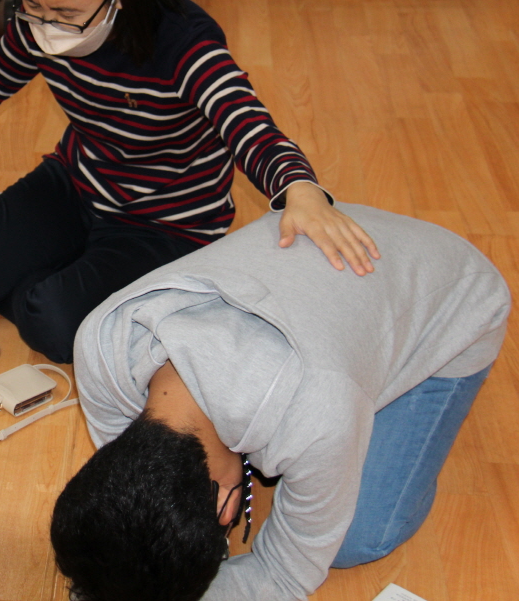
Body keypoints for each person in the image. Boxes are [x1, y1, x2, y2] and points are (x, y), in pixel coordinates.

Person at [0, 0, 377, 364]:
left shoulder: (183, 42)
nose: (45, 25)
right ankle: (63, 272)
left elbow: (247, 124)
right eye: (31, 4)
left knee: (54, 327)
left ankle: (66, 278)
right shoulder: (35, 17)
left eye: (66, 15)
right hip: (80, 181)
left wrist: (300, 189)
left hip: (165, 222)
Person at [52, 204, 510, 601]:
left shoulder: (316, 410)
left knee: (357, 538)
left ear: (228, 508)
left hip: (452, 295)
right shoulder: (100, 340)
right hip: (328, 250)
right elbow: (126, 515)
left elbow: (285, 576)